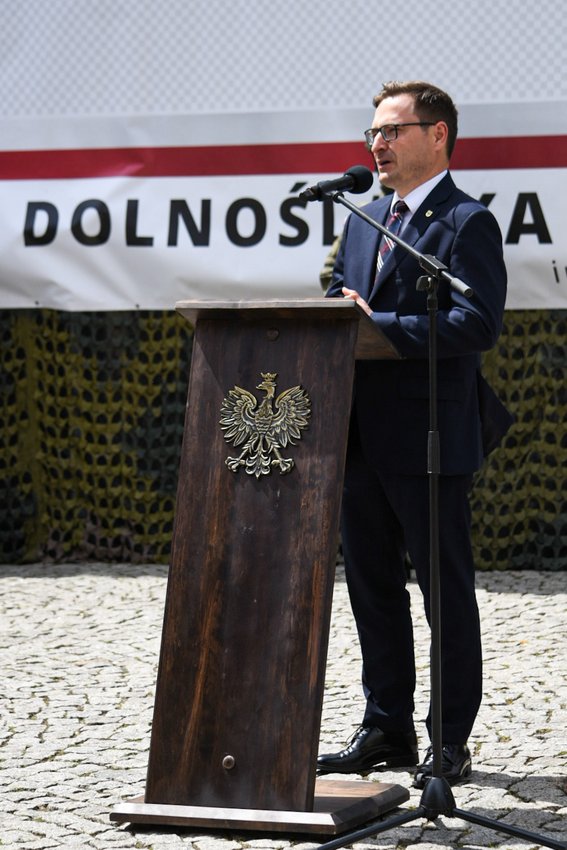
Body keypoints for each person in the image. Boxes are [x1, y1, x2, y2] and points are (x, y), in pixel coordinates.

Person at [318, 80, 509, 788]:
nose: (378, 143)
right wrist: (339, 311)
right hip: (358, 436)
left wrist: (382, 326)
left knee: (443, 593)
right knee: (372, 588)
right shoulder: (363, 218)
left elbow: (478, 323)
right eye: (373, 132)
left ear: (437, 135)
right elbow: (341, 302)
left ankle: (448, 739)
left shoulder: (465, 222)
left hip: (428, 435)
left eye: (393, 130)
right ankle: (386, 727)